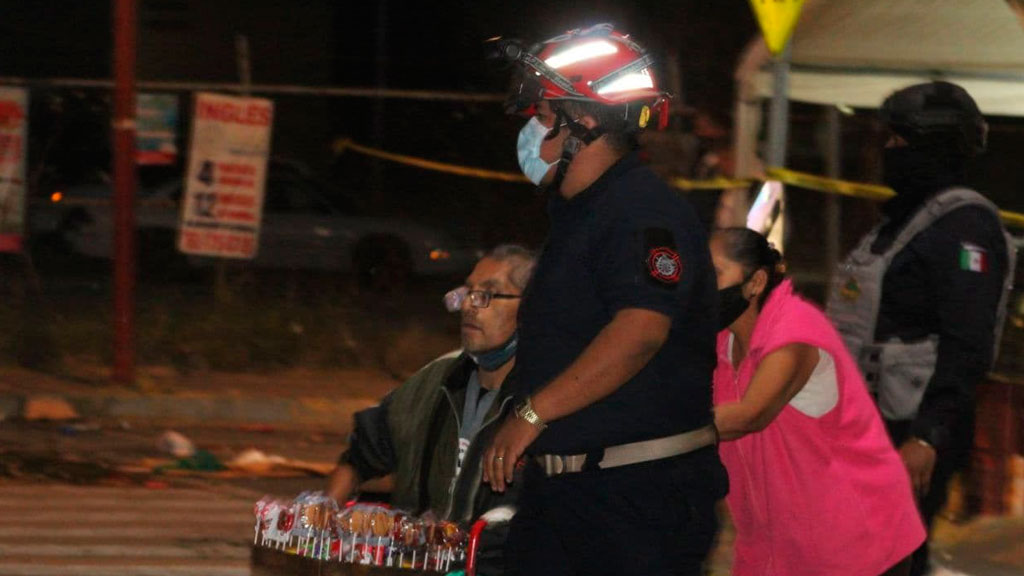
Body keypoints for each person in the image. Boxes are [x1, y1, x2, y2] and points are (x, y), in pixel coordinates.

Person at [483, 24, 728, 576]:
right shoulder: (583, 214)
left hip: (635, 505)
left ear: (585, 121)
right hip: (566, 496)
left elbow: (641, 329)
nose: (530, 129)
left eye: (542, 116)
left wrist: (531, 414)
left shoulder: (642, 212)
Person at [826, 81, 1016, 576]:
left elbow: (968, 342)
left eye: (899, 142)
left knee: (889, 557)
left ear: (933, 145)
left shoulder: (963, 226)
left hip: (910, 428)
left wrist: (928, 437)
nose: (889, 152)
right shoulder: (901, 220)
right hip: (868, 422)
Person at [710, 227, 925, 576]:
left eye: (715, 273)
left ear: (755, 282)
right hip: (773, 550)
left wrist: (658, 425)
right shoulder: (722, 343)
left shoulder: (794, 333)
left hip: (854, 546)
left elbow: (749, 415)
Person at [325, 245, 536, 572]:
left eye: (489, 295)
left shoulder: (549, 396)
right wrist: (325, 519)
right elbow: (359, 455)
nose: (468, 305)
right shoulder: (434, 381)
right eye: (468, 292)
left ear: (532, 307)